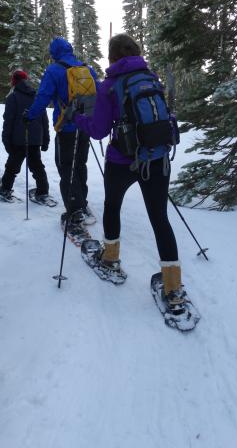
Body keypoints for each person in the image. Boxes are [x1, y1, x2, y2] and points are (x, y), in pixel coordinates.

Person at [74, 33, 186, 309]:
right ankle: (173, 288)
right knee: (160, 219)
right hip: (157, 159)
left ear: (112, 56)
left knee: (112, 207)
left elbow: (99, 130)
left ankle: (110, 259)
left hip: (122, 160)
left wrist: (77, 118)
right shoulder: (151, 78)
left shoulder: (109, 85)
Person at [26, 37, 97, 229]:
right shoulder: (87, 68)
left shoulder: (54, 70)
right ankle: (81, 200)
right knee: (80, 164)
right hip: (85, 126)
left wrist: (30, 116)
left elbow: (43, 98)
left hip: (66, 127)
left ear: (54, 53)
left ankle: (75, 211)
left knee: (66, 167)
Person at [0, 70, 50, 201]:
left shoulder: (12, 97)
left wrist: (6, 140)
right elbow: (44, 121)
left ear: (14, 81)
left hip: (18, 139)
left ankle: (5, 189)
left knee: (12, 166)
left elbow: (8, 121)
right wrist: (45, 140)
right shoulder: (36, 97)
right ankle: (42, 192)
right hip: (35, 139)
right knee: (37, 166)